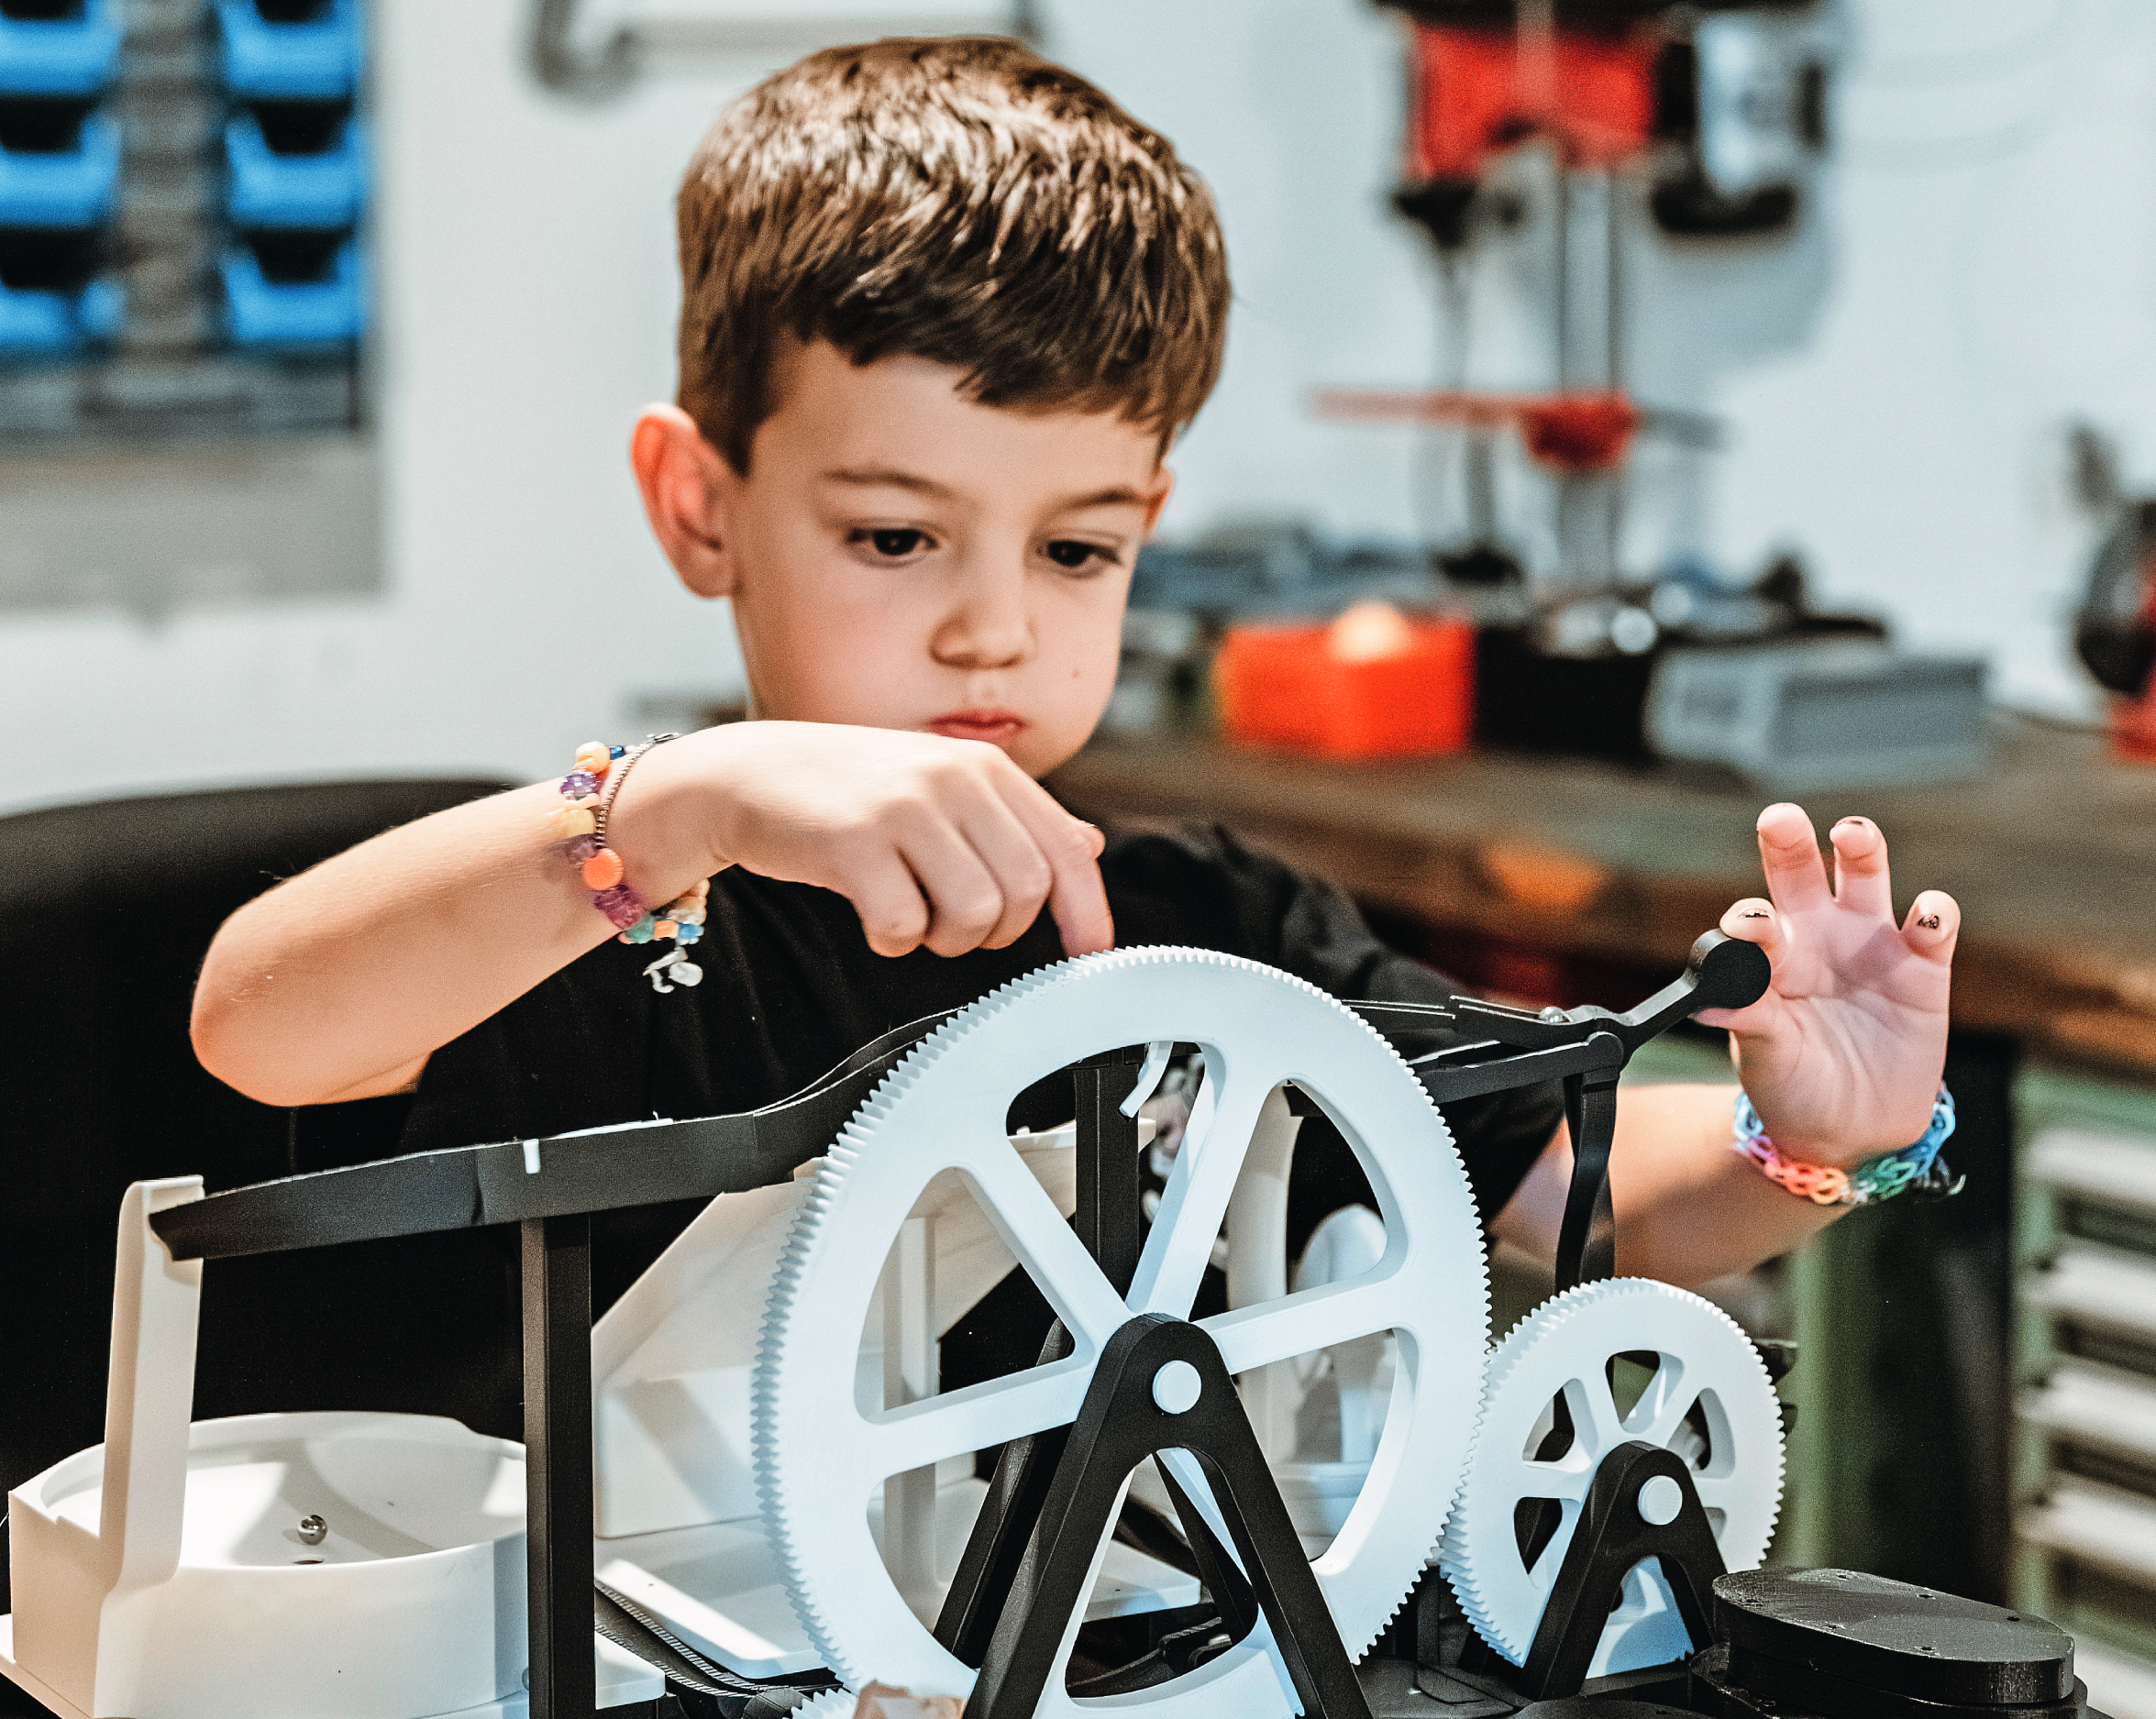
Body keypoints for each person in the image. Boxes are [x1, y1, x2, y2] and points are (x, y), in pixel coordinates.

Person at [192, 37, 1960, 1295]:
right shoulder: (615, 908)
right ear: (701, 506)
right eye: (895, 538)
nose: (997, 627)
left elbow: (1567, 1192)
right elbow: (263, 1024)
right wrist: (667, 808)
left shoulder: (1213, 928)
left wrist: (1805, 1144)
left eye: (1078, 549)